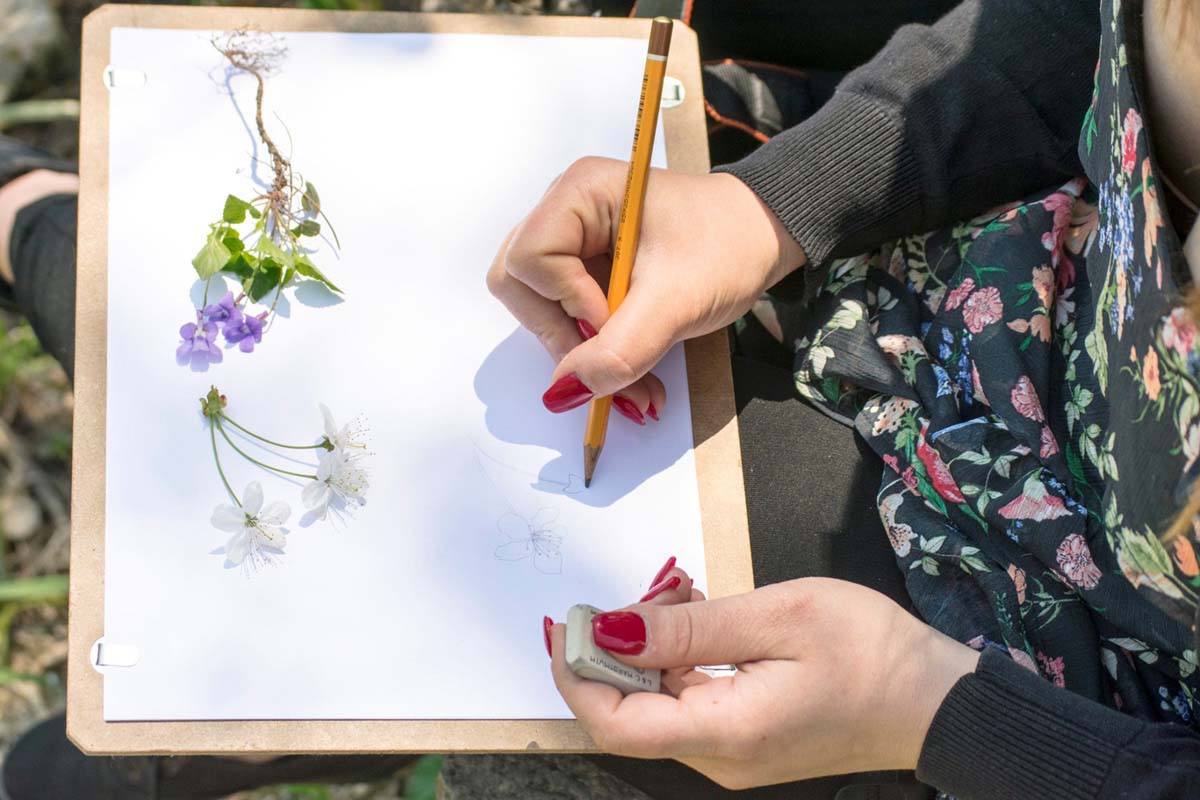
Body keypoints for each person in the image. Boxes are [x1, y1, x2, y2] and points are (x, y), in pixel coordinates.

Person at [491, 0, 1200, 796]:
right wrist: (770, 202)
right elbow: (1077, 24)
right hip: (983, 311)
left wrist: (933, 713)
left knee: (503, 664)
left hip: (1071, 711)